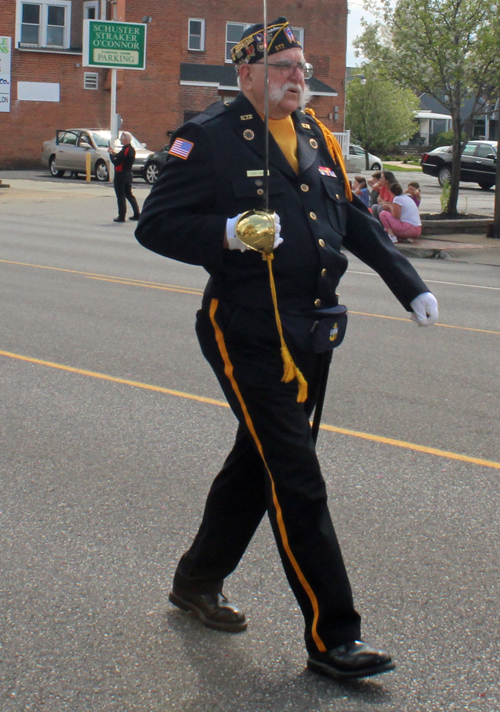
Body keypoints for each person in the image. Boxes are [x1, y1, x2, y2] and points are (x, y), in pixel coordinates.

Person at [135, 17, 438, 682]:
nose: (298, 77)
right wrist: (231, 232)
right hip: (246, 328)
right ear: (245, 78)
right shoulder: (208, 138)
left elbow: (354, 219)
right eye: (282, 69)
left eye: (301, 67)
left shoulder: (315, 134)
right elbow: (155, 225)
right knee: (297, 476)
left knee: (262, 461)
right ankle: (334, 637)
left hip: (313, 329)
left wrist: (407, 284)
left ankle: (197, 578)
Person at [108, 131, 141, 222]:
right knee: (129, 194)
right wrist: (114, 153)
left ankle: (121, 216)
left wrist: (111, 155)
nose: (121, 141)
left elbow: (117, 162)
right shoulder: (130, 150)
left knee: (121, 195)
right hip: (128, 174)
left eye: (122, 139)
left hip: (121, 174)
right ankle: (137, 213)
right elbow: (120, 157)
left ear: (125, 140)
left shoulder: (126, 150)